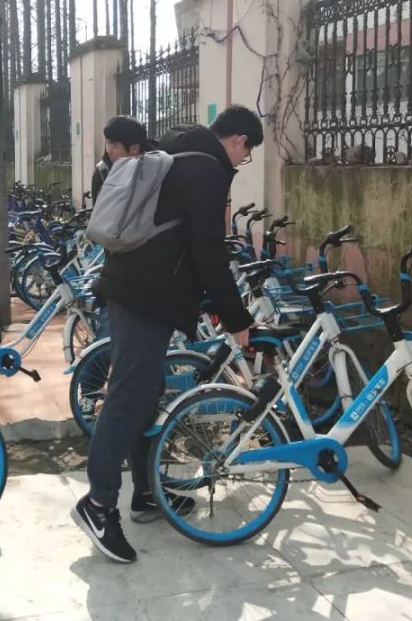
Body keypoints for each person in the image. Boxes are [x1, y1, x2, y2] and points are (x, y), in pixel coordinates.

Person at [72, 104, 264, 564]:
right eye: (246, 153)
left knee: (147, 392)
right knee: (127, 396)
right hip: (146, 296)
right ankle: (97, 504)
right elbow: (207, 250)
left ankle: (145, 493)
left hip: (133, 287)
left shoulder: (177, 147)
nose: (242, 162)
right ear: (239, 140)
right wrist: (237, 319)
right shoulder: (206, 169)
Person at [89, 116, 154, 204]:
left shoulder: (155, 171)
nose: (108, 151)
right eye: (107, 143)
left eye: (113, 145)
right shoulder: (103, 173)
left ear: (134, 148)